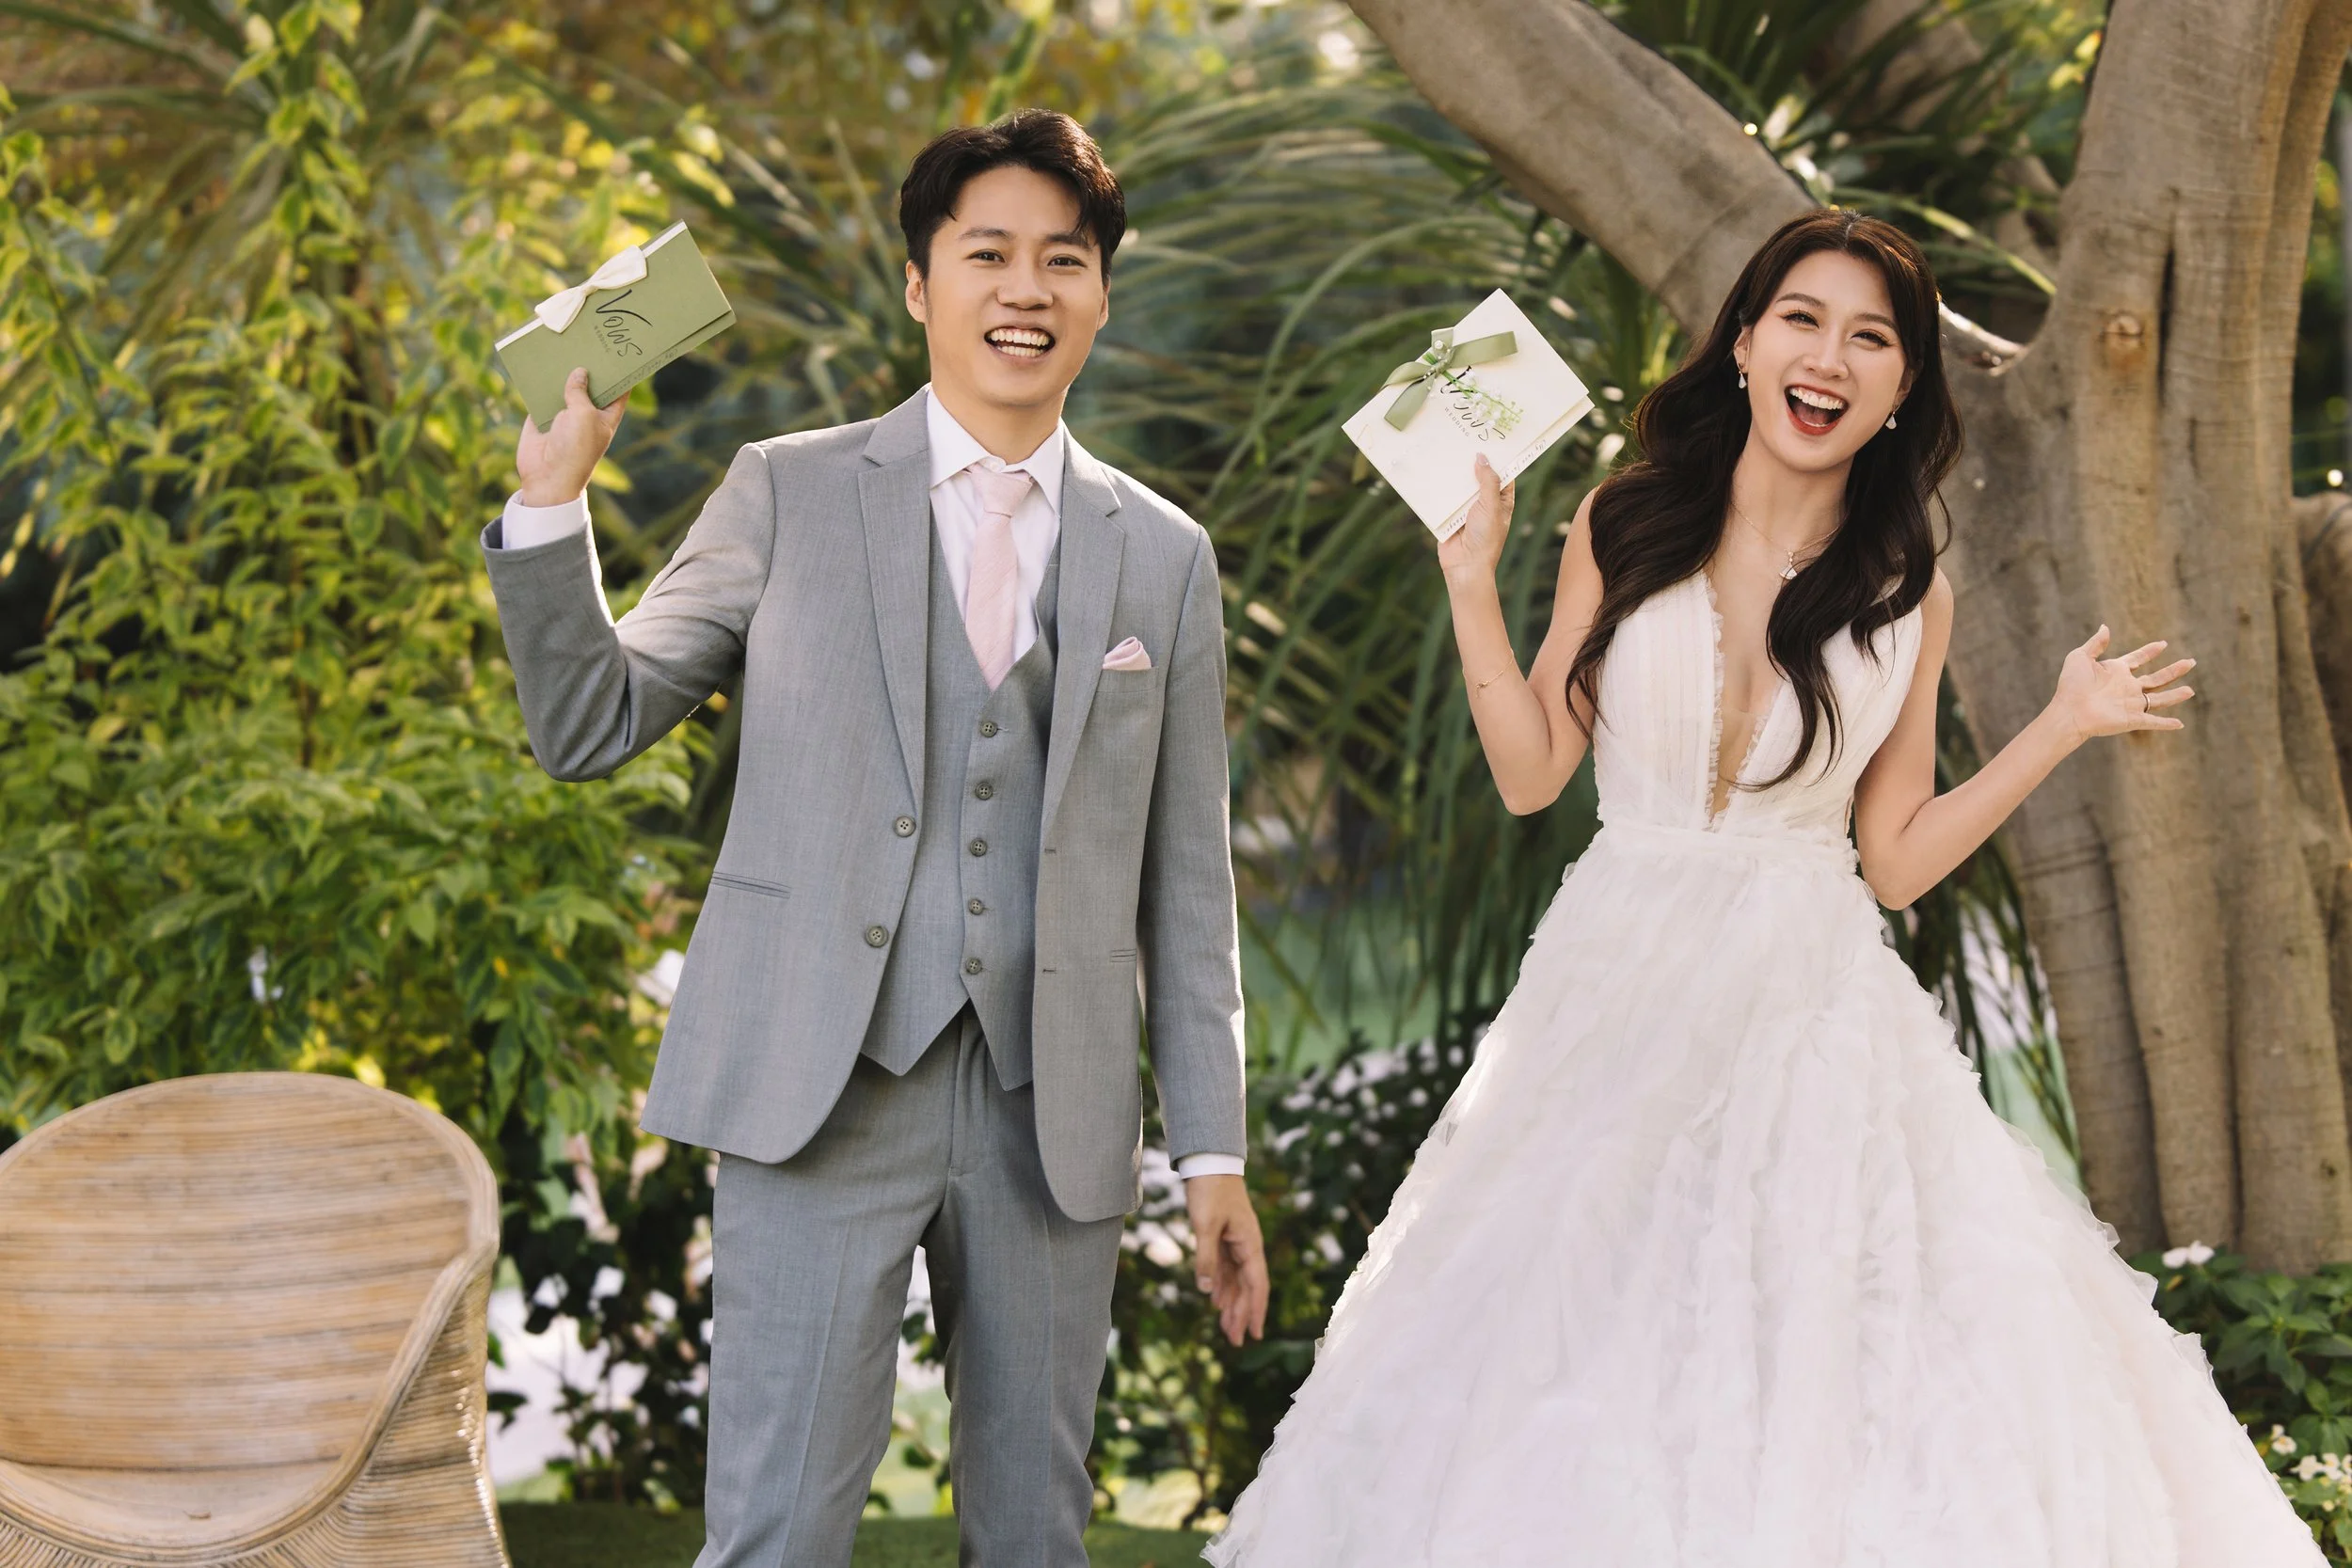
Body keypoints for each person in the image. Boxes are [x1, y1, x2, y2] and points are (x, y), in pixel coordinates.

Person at [1206, 210, 2321, 1565]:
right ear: (1744, 343)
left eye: (1872, 338)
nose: (1830, 357)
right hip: (1617, 991)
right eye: (1803, 318)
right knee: (1581, 1331)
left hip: (1810, 1012)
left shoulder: (1910, 584)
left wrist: (2060, 725)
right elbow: (1529, 771)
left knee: (1819, 1348)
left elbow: (1896, 851)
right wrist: (1468, 582)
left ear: (1904, 387)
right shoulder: (1622, 523)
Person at [481, 109, 1268, 1568]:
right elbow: (592, 722)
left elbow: (1187, 885)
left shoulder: (1163, 554)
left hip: (1056, 1107)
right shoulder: (784, 488)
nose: (1025, 290)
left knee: (1036, 1536)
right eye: (988, 255)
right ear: (921, 285)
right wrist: (551, 500)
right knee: (776, 1531)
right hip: (816, 1083)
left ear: (1101, 291)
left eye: (1064, 260)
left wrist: (1212, 1146)